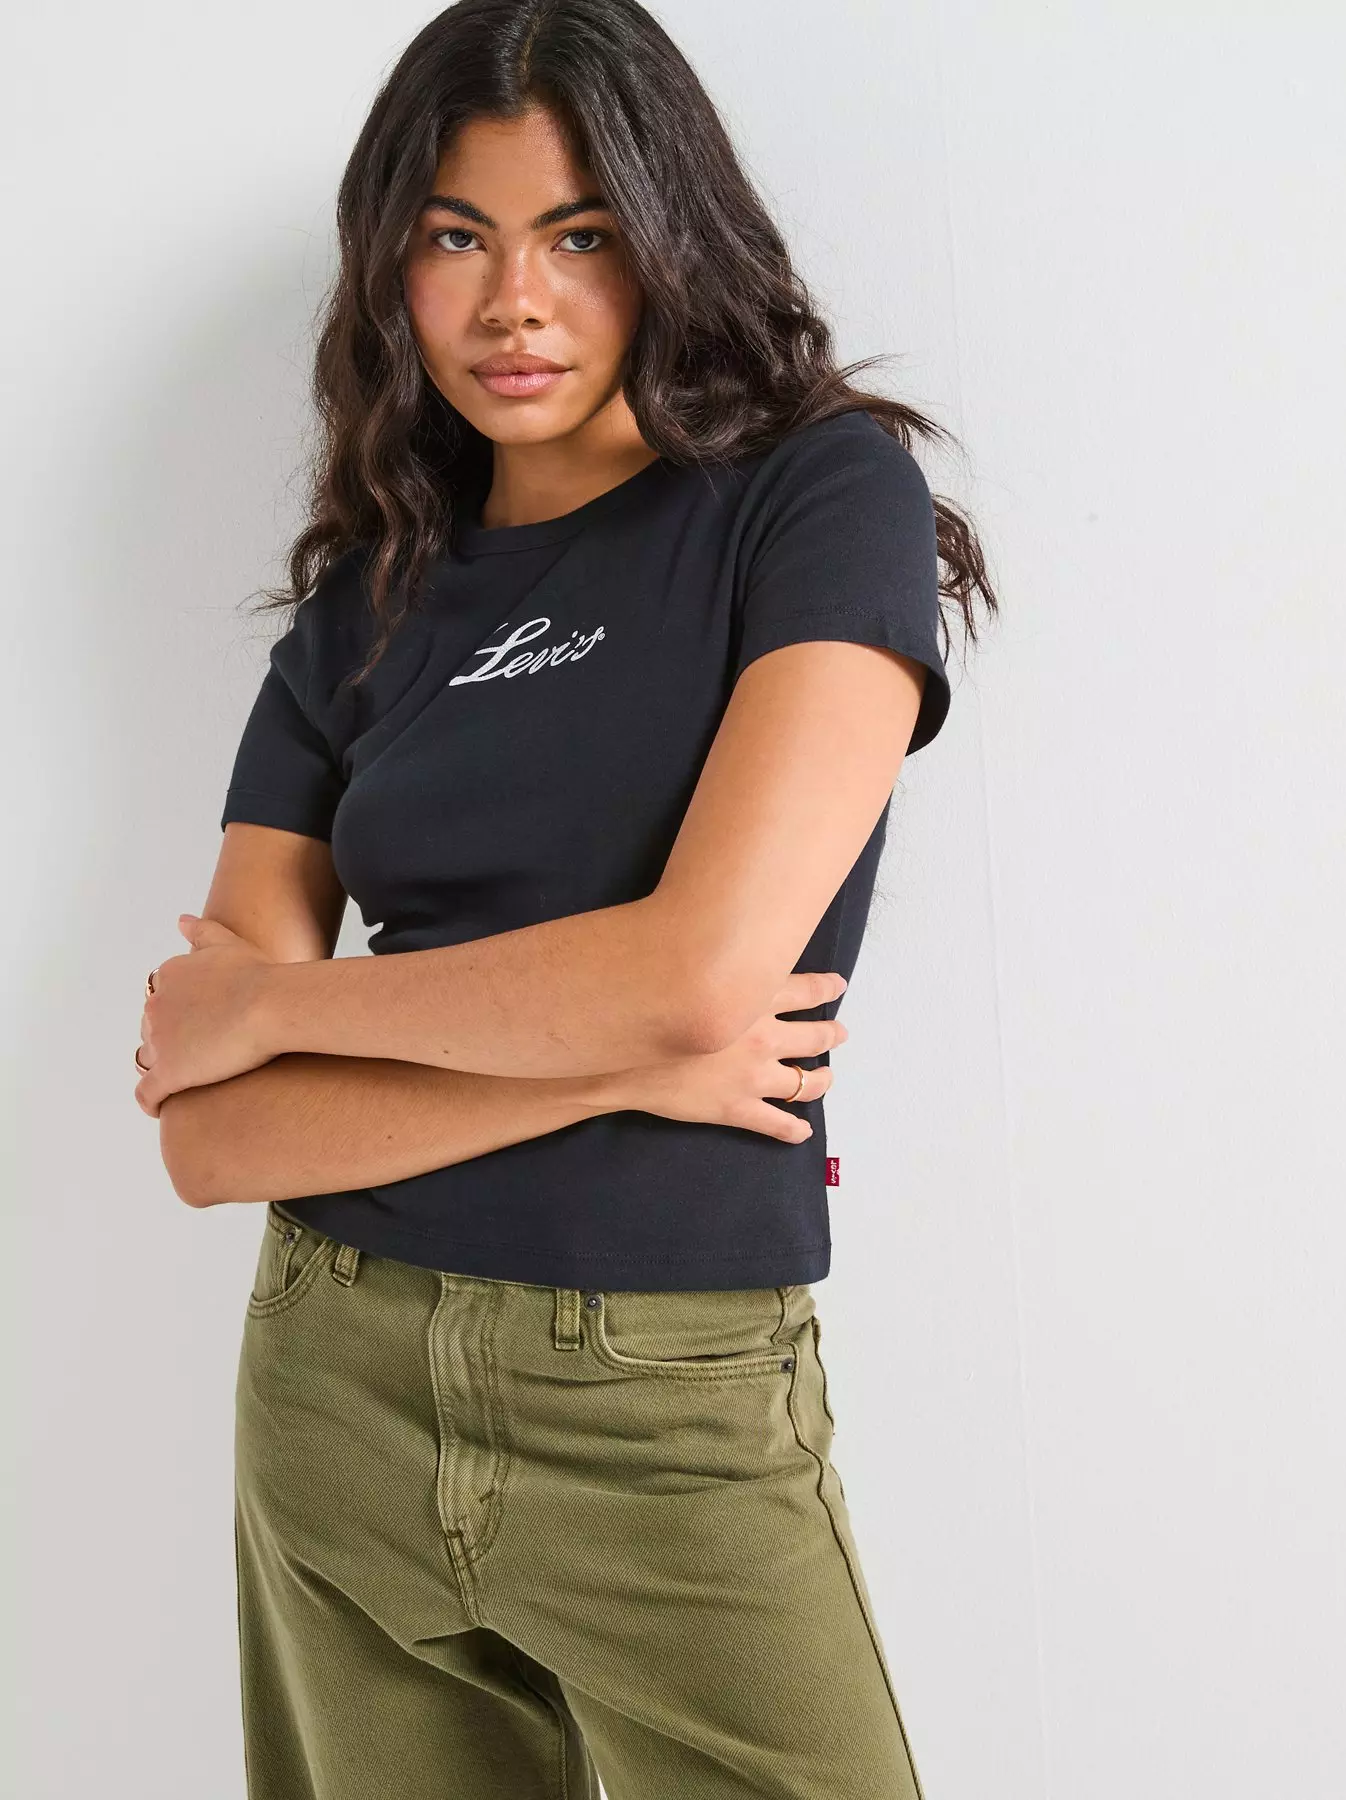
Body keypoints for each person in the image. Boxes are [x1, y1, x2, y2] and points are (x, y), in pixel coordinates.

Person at [134, 2, 997, 1794]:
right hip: (334, 1379)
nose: (512, 304)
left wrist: (278, 1006)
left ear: (673, 237)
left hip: (661, 1396)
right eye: (456, 237)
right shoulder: (363, 607)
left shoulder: (816, 503)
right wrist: (615, 1066)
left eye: (579, 236)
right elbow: (213, 1142)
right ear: (391, 267)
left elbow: (697, 982)